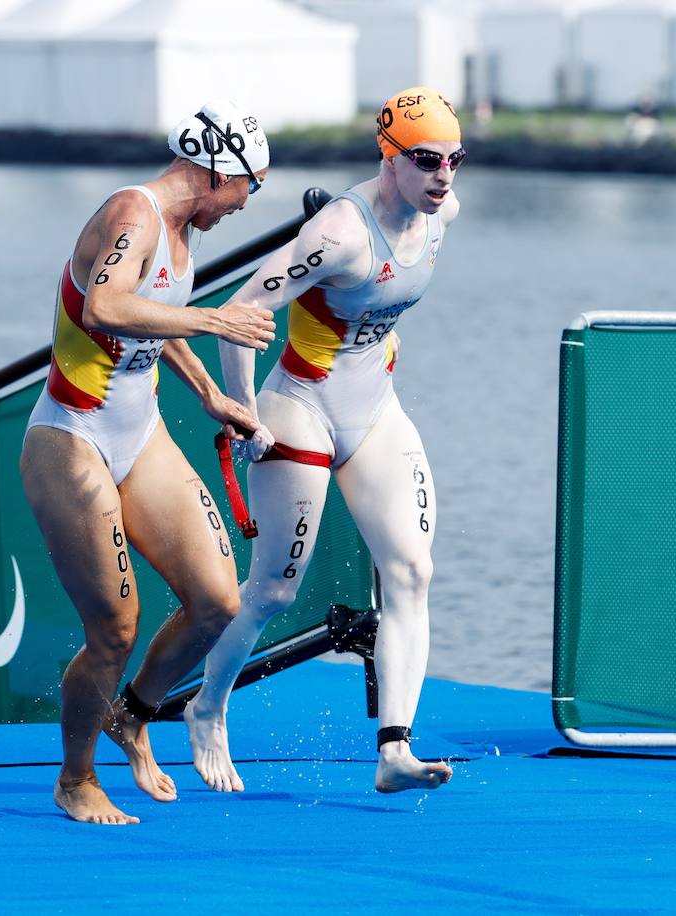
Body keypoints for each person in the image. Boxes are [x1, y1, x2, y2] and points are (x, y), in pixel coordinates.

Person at [186, 87, 464, 794]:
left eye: (455, 160)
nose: (443, 176)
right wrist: (243, 414)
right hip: (300, 406)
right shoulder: (339, 233)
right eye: (427, 160)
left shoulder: (443, 215)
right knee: (276, 590)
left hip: (373, 409)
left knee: (412, 572)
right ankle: (207, 707)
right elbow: (241, 309)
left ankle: (394, 749)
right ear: (389, 155)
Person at [21, 100, 273, 825]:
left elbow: (153, 320)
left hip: (143, 430)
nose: (245, 204)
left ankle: (133, 714)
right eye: (248, 187)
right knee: (115, 630)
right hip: (72, 435)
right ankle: (75, 778)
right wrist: (215, 318)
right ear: (219, 170)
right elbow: (104, 306)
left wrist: (211, 395)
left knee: (218, 601)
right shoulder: (132, 215)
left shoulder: (181, 234)